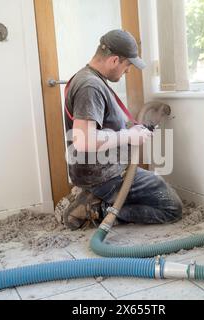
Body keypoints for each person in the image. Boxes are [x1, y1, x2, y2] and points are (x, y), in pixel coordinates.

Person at [59, 29, 182, 230]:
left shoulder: (90, 78)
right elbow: (83, 140)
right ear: (115, 60)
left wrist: (130, 130)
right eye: (127, 65)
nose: (128, 71)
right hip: (106, 175)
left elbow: (102, 126)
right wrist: (128, 136)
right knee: (171, 207)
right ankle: (96, 210)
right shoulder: (90, 86)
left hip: (102, 171)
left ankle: (93, 198)